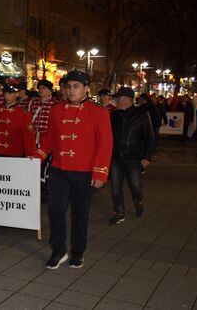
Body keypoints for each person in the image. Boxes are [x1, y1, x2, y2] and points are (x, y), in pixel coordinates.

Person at [34, 71, 113, 269]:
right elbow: (50, 138)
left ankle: (78, 251)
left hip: (85, 171)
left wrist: (100, 172)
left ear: (87, 88)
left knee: (80, 213)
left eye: (76, 86)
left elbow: (105, 144)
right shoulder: (57, 110)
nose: (71, 90)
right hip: (59, 170)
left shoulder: (99, 111)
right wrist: (38, 156)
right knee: (55, 210)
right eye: (68, 86)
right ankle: (58, 250)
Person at [109, 87, 155, 225]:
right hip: (116, 158)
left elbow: (150, 138)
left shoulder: (142, 114)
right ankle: (119, 212)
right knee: (116, 186)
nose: (115, 100)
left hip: (134, 158)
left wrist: (147, 157)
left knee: (135, 185)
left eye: (117, 98)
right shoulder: (114, 115)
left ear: (126, 99)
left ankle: (138, 199)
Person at [0, 84, 36, 157]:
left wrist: (30, 153)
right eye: (5, 93)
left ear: (17, 94)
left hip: (14, 152)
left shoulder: (23, 113)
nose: (6, 96)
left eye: (10, 93)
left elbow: (28, 136)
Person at [29, 79, 57, 147]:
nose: (41, 90)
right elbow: (29, 118)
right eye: (39, 88)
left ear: (49, 90)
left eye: (44, 88)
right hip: (33, 137)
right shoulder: (33, 102)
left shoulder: (55, 104)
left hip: (47, 137)